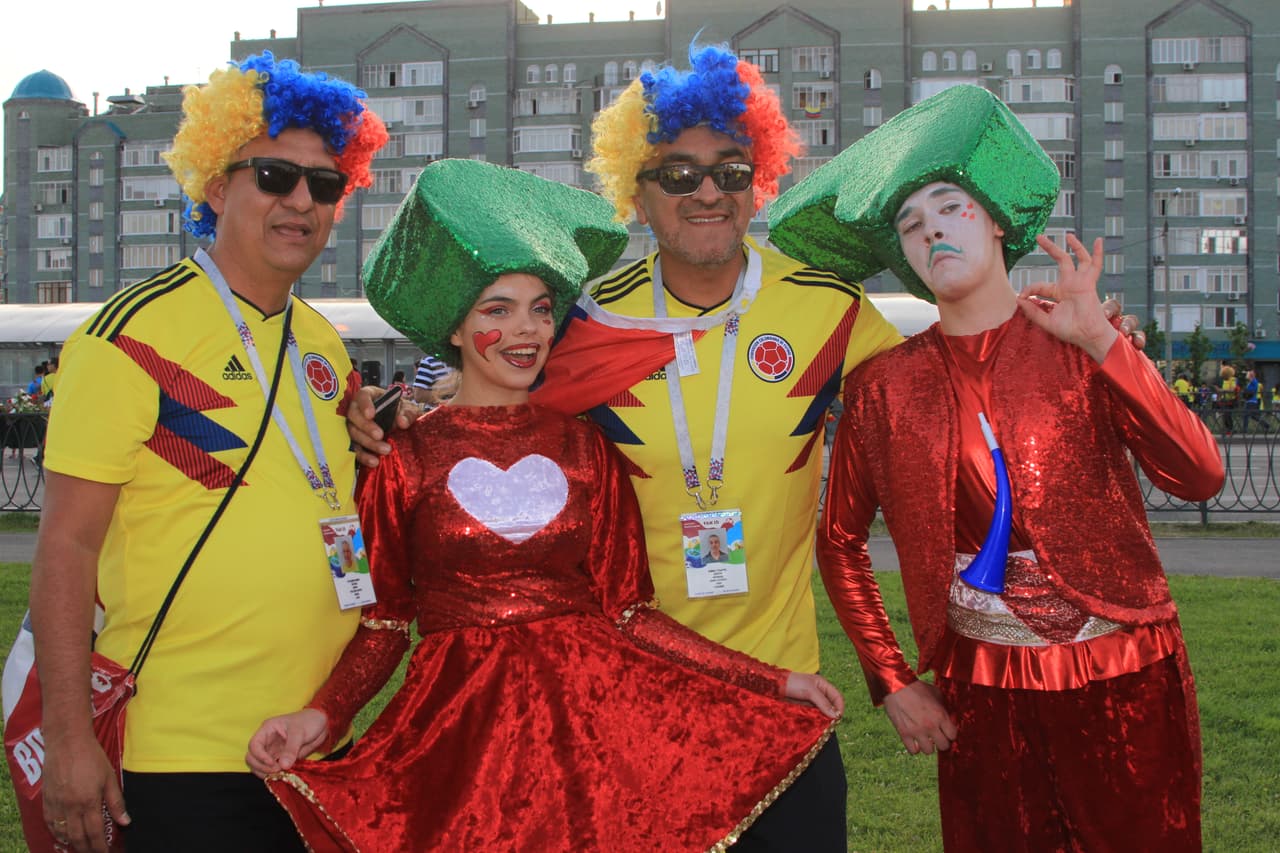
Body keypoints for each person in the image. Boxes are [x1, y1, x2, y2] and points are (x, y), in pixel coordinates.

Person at [248, 159, 842, 851]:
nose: (525, 330)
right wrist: (322, 714)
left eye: (538, 308)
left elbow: (630, 612)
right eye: (497, 309)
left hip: (589, 730)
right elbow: (383, 624)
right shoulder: (401, 456)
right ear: (456, 330)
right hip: (462, 735)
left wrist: (774, 680)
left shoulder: (587, 446)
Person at [771, 84, 1224, 852]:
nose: (934, 230)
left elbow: (1200, 476)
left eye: (950, 206)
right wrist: (892, 681)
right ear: (904, 259)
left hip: (1124, 675)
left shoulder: (1079, 339)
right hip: (981, 694)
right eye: (911, 225)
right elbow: (839, 539)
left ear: (993, 220)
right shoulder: (883, 386)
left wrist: (1106, 349)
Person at [23, 52, 386, 853]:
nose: (301, 202)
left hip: (318, 744)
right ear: (216, 187)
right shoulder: (128, 335)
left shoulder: (324, 344)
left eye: (324, 185)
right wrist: (70, 739)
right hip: (180, 759)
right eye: (274, 176)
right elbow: (66, 544)